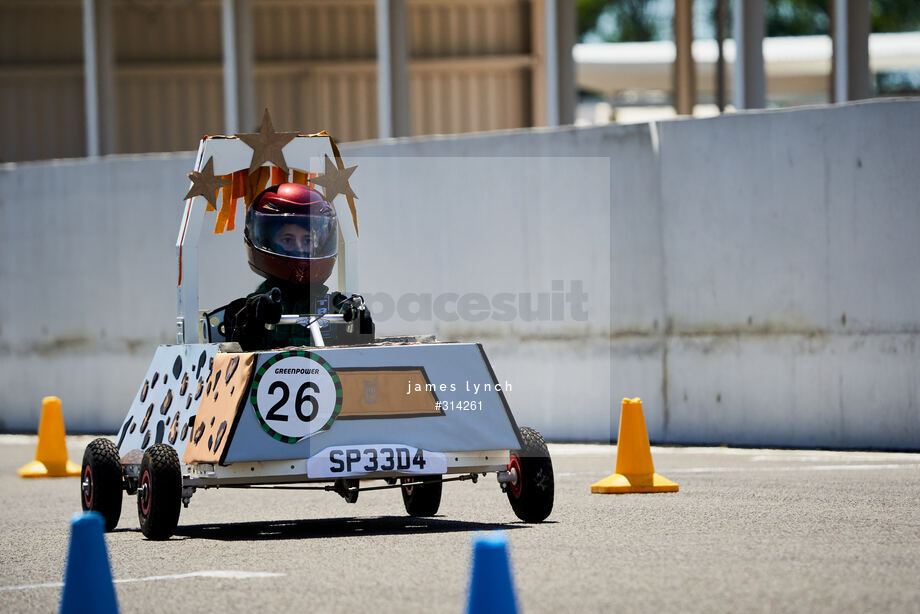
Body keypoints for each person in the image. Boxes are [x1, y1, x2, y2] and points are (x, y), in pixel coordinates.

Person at [220, 182, 373, 350]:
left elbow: (360, 364)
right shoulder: (243, 310)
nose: (300, 249)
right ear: (266, 242)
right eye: (288, 240)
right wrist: (255, 323)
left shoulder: (337, 308)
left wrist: (360, 327)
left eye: (307, 241)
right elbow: (238, 365)